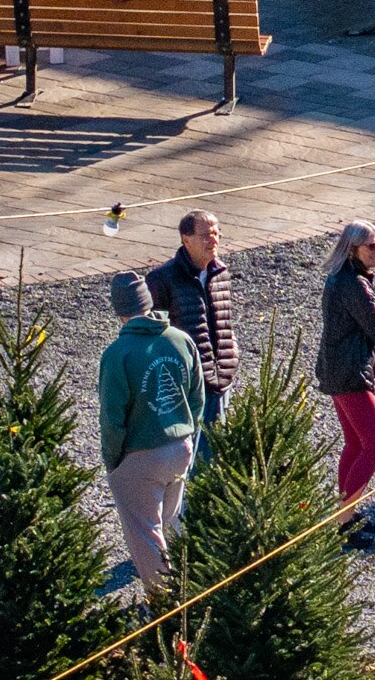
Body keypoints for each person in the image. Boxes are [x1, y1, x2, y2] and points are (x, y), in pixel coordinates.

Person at [98, 272, 204, 590]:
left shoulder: (117, 354)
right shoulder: (180, 340)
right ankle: (189, 585)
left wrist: (113, 461)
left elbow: (112, 418)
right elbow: (197, 397)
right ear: (149, 302)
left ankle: (164, 603)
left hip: (140, 454)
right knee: (172, 523)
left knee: (146, 534)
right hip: (181, 447)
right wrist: (186, 434)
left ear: (119, 310)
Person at [317, 219, 375, 524]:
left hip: (336, 369)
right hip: (351, 373)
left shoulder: (339, 278)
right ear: (353, 250)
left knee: (355, 443)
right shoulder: (354, 284)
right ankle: (344, 518)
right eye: (371, 246)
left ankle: (344, 512)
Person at [147, 209, 239, 445]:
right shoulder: (162, 279)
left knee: (216, 450)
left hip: (221, 378)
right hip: (187, 386)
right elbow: (153, 335)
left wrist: (232, 356)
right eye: (206, 236)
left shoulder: (220, 274)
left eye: (216, 234)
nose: (214, 241)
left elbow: (225, 323)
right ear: (186, 240)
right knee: (189, 453)